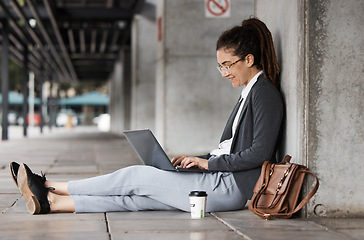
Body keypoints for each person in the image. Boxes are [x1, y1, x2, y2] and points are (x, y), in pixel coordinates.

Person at [10, 17, 283, 215]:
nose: (224, 73)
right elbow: (232, 146)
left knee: (134, 177)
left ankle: (47, 184)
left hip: (231, 187)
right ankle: (51, 203)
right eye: (220, 66)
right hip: (220, 178)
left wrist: (208, 164)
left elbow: (260, 153)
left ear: (249, 59)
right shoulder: (249, 92)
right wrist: (198, 159)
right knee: (136, 198)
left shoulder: (264, 93)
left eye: (227, 65)